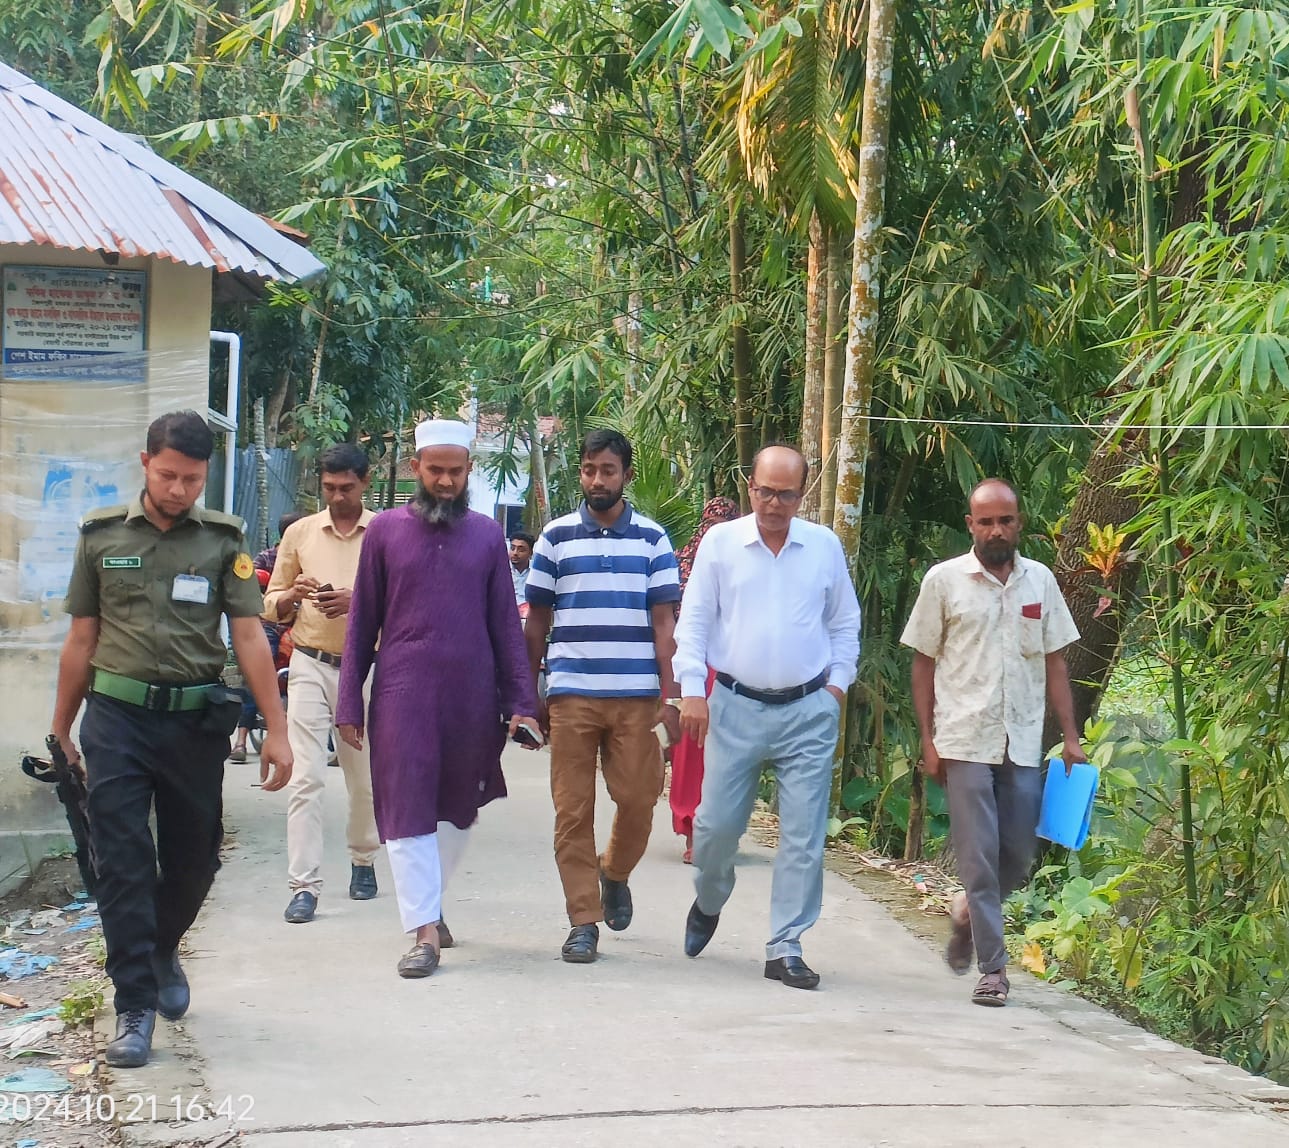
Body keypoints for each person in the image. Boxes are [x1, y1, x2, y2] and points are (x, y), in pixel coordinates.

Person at [50, 410, 292, 1069]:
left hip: (193, 722)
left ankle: (160, 947)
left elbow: (247, 637)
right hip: (116, 718)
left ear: (205, 475)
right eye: (167, 475)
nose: (179, 489)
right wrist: (59, 729)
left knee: (194, 859)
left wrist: (276, 731)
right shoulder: (101, 537)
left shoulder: (223, 542)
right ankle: (134, 1004)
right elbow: (81, 639)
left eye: (192, 478)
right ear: (144, 463)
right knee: (123, 862)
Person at [337, 419, 541, 978]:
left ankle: (431, 902)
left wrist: (521, 699)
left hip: (471, 696)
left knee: (458, 807)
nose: (446, 480)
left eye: (455, 471)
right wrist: (349, 702)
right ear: (416, 468)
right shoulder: (384, 534)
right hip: (402, 690)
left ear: (469, 471)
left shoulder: (485, 537)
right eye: (436, 470)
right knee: (404, 806)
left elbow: (505, 622)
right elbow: (362, 624)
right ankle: (423, 932)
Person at [674, 445, 860, 990]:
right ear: (747, 485)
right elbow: (695, 622)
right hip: (734, 706)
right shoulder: (721, 543)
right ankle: (709, 900)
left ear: (804, 494)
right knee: (714, 829)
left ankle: (786, 945)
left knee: (802, 835)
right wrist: (692, 691)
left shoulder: (823, 547)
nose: (774, 503)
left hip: (808, 710)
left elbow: (844, 622)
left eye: (787, 493)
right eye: (765, 490)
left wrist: (835, 689)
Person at [900, 478, 1085, 1007]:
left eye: (1005, 520)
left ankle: (965, 913)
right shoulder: (944, 581)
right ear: (971, 525)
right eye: (986, 521)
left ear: (1019, 523)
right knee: (979, 857)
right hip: (963, 738)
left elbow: (1055, 661)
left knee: (1019, 853)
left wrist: (1070, 736)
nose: (996, 529)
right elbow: (922, 663)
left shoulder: (1040, 582)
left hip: (1022, 738)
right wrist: (928, 739)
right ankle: (995, 971)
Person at [525, 429, 682, 964]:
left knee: (639, 801)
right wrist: (528, 694)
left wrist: (673, 696)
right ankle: (583, 920)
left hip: (637, 698)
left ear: (626, 476)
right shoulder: (555, 538)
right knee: (572, 811)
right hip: (572, 696)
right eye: (590, 469)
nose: (597, 479)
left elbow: (666, 624)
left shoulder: (654, 541)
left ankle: (614, 872)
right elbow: (536, 622)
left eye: (608, 470)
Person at [262, 445, 382, 924]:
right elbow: (270, 603)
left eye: (346, 488)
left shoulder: (386, 533)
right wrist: (292, 595)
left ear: (365, 482)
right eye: (329, 488)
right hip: (309, 661)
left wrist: (358, 603)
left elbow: (406, 603)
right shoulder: (301, 533)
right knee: (306, 775)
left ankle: (363, 858)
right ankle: (304, 885)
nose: (337, 497)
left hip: (367, 666)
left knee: (363, 775)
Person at [669, 497, 740, 863]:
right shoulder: (683, 561)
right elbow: (674, 621)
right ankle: (693, 829)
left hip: (739, 669)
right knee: (693, 751)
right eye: (711, 523)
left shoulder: (747, 562)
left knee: (731, 755)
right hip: (697, 667)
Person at [229, 510, 306, 764]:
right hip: (270, 627)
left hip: (303, 629)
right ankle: (240, 739)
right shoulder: (265, 558)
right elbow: (248, 588)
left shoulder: (311, 556)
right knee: (258, 675)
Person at [509, 531, 535, 609]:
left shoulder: (537, 572)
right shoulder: (501, 571)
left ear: (530, 553)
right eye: (512, 548)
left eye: (521, 550)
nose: (515, 553)